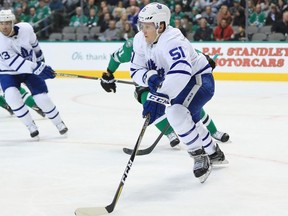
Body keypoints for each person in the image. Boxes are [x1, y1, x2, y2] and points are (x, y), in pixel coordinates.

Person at [130, 3, 226, 182]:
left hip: (198, 79)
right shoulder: (139, 40)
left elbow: (181, 71)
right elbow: (135, 70)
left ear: (161, 25)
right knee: (190, 121)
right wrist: (150, 77)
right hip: (177, 83)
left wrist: (160, 95)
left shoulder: (172, 39)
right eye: (141, 25)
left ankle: (200, 156)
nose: (143, 30)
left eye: (148, 26)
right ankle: (214, 153)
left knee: (176, 112)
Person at [100, 39, 230, 145]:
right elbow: (116, 57)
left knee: (186, 103)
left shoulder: (166, 39)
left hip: (167, 78)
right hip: (146, 81)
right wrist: (109, 74)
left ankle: (213, 131)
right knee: (147, 102)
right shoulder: (133, 44)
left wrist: (205, 58)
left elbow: (186, 51)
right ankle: (170, 133)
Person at [0, 9, 68, 138]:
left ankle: (59, 123)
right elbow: (16, 63)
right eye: (1, 23)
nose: (4, 26)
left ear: (13, 22)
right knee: (11, 96)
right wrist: (38, 68)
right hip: (8, 71)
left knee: (42, 98)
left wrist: (42, 63)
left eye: (7, 22)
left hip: (30, 69)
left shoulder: (26, 28)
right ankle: (30, 126)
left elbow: (35, 46)